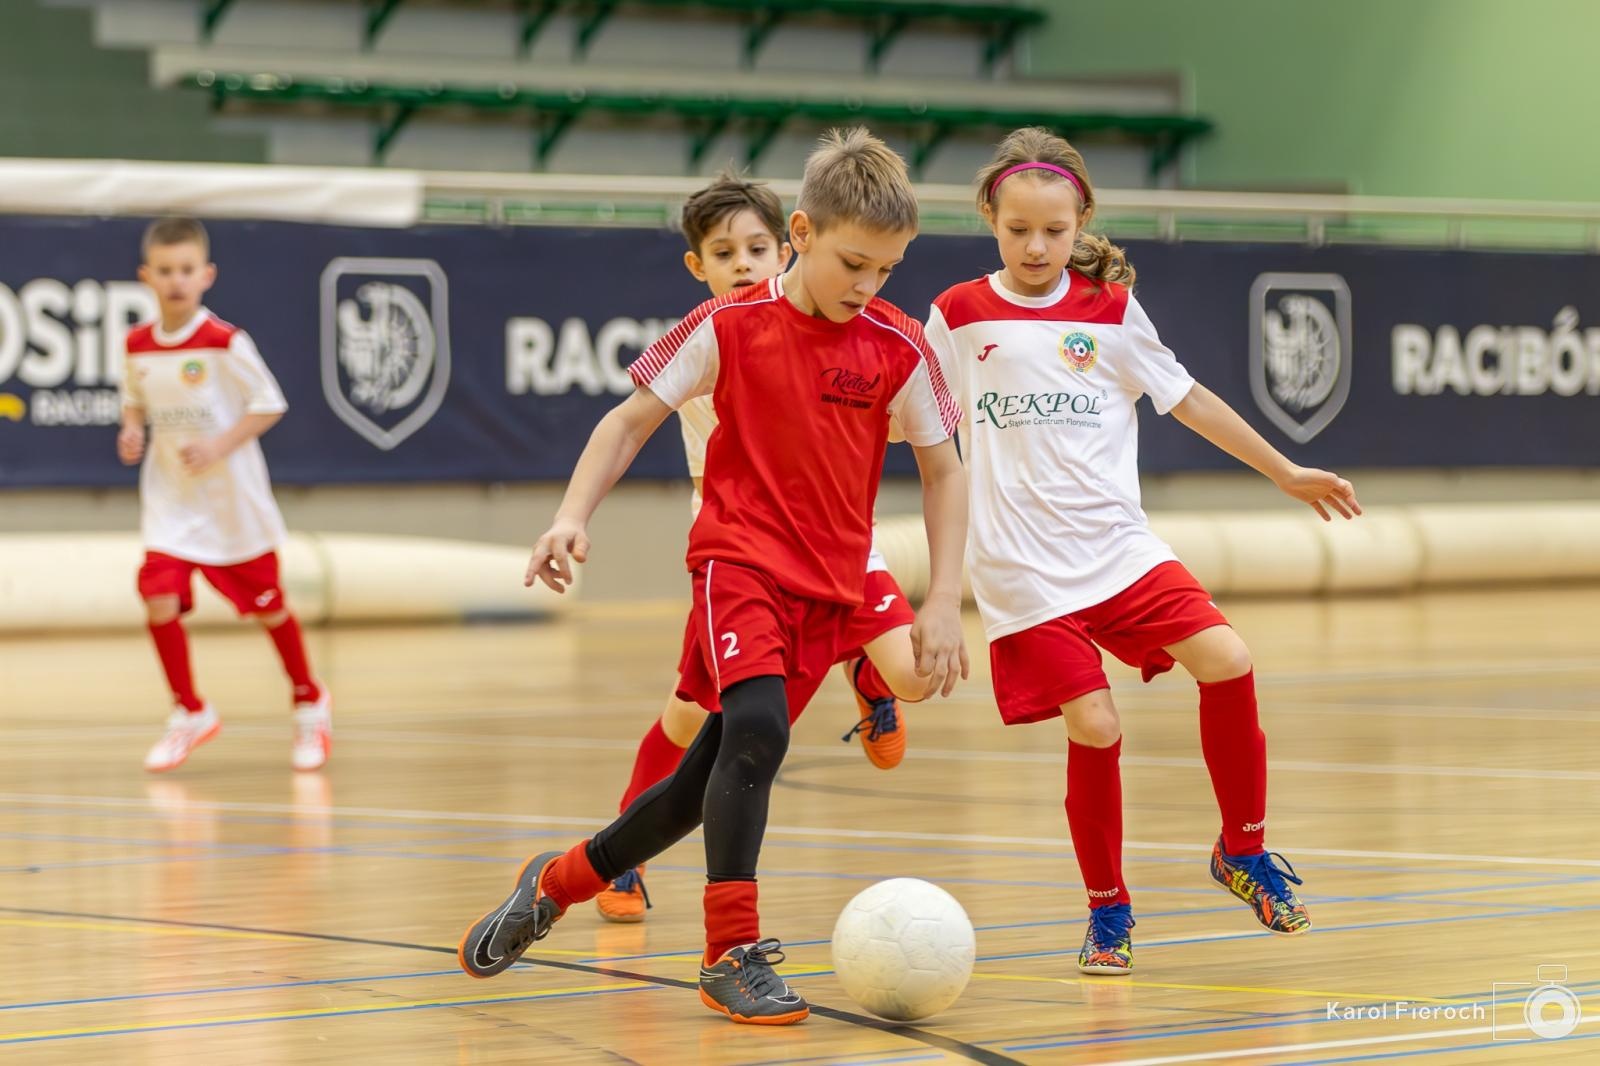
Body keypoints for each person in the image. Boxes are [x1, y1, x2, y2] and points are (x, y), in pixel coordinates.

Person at [458, 128, 968, 1025]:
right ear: (802, 232)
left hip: (833, 585)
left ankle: (558, 880)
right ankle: (730, 951)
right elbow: (624, 422)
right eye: (854, 262)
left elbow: (946, 471)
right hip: (736, 564)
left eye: (887, 270)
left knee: (702, 786)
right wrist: (571, 516)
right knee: (758, 732)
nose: (868, 286)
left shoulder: (901, 345)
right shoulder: (726, 324)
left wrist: (941, 602)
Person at [924, 127, 1361, 975]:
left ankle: (1242, 851)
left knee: (1230, 659)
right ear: (990, 216)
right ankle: (1109, 910)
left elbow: (1189, 400)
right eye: (1018, 230)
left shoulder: (1112, 310)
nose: (1037, 246)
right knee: (1094, 722)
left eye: (1054, 230)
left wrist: (1282, 470)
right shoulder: (957, 313)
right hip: (1021, 569)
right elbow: (913, 422)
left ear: (1082, 216)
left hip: (1119, 551)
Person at [596, 172, 936, 924]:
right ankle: (625, 853)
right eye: (725, 253)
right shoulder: (714, 332)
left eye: (757, 247)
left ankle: (869, 673)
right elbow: (624, 424)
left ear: (789, 243)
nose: (744, 264)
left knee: (913, 672)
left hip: (838, 543)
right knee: (691, 719)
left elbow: (920, 436)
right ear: (698, 267)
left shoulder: (860, 332)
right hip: (741, 548)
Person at [118, 217, 331, 773]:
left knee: (268, 608)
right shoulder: (136, 344)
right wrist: (133, 427)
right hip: (171, 501)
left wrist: (219, 444)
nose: (176, 281)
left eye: (186, 270)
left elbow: (269, 403)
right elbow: (134, 395)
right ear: (147, 276)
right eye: (165, 271)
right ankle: (189, 710)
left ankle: (309, 698)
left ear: (206, 275)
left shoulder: (225, 342)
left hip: (232, 504)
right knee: (157, 595)